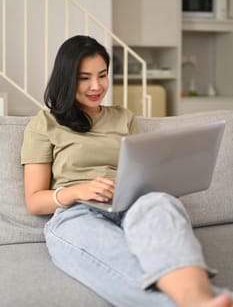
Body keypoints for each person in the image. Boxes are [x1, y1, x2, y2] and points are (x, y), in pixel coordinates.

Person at [21, 35, 233, 307]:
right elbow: (34, 199)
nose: (96, 86)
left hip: (133, 202)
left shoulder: (124, 117)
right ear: (66, 78)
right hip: (77, 213)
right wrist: (78, 190)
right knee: (119, 257)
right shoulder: (44, 124)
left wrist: (162, 186)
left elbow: (145, 168)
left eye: (102, 75)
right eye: (84, 78)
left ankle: (199, 299)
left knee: (160, 205)